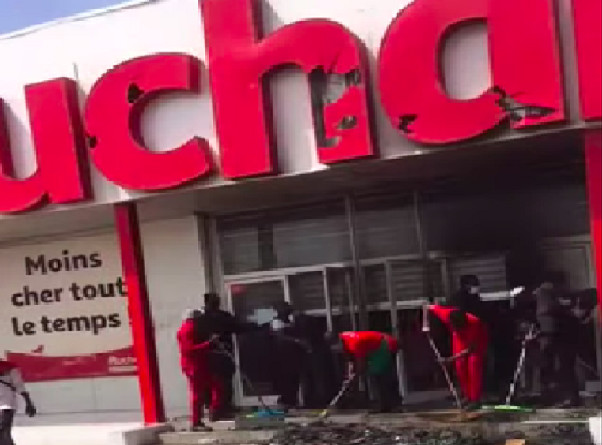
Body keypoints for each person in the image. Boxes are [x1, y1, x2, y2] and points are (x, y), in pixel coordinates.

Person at [200, 292, 255, 420]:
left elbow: (238, 326)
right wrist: (258, 323)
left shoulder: (202, 319)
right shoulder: (221, 317)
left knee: (218, 383)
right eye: (216, 300)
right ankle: (220, 409)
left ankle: (218, 408)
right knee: (222, 383)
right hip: (219, 355)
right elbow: (239, 327)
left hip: (210, 355)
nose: (217, 302)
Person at [428, 305, 488, 410]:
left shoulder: (474, 323)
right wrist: (426, 322)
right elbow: (429, 307)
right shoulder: (446, 315)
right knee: (460, 367)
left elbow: (471, 348)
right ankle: (466, 396)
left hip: (475, 344)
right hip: (460, 340)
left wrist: (450, 359)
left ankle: (475, 399)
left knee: (473, 365)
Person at [534, 272, 580, 406]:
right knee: (556, 367)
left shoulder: (548, 295)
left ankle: (563, 398)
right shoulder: (548, 294)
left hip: (554, 336)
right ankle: (560, 397)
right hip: (551, 336)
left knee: (559, 367)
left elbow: (545, 311)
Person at [328, 330, 401, 413]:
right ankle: (386, 405)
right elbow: (350, 359)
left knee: (381, 375)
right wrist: (348, 376)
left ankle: (393, 405)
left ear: (338, 339)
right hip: (373, 350)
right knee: (376, 375)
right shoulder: (344, 340)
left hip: (383, 345)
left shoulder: (355, 342)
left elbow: (361, 365)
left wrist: (354, 378)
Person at [177, 309, 220, 431]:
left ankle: (213, 411)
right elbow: (189, 349)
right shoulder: (188, 329)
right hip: (193, 366)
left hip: (197, 364)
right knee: (197, 394)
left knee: (213, 386)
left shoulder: (189, 329)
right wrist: (209, 344)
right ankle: (196, 422)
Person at [268, 302, 310, 410]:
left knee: (294, 378)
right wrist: (297, 341)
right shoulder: (276, 322)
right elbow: (279, 336)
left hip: (292, 355)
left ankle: (292, 400)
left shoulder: (290, 322)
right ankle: (286, 401)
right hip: (282, 355)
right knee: (286, 379)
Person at [0, 359, 36, 445]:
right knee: (3, 434)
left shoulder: (10, 368)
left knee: (4, 431)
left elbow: (19, 385)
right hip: (7, 403)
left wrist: (29, 403)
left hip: (7, 404)